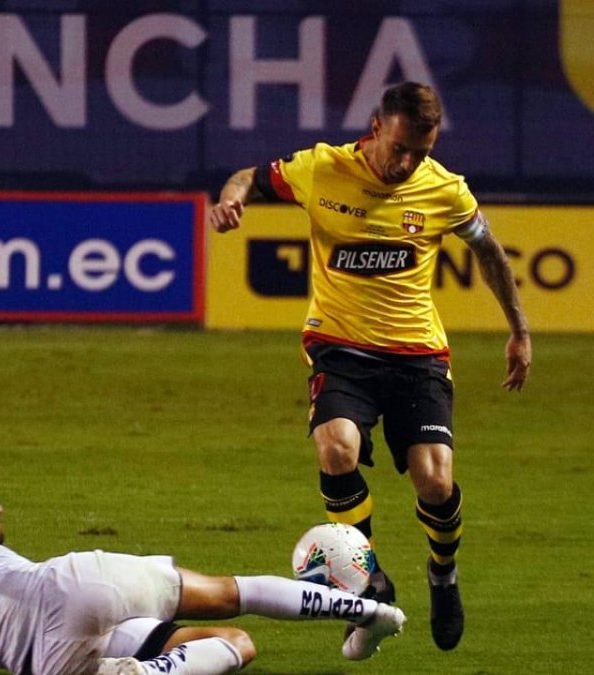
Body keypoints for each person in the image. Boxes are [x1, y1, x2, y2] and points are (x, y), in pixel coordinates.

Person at [206, 82, 531, 652]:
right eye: (401, 148)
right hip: (340, 346)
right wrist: (232, 200)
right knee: (336, 449)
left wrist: (519, 329)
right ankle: (369, 581)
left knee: (435, 482)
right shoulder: (322, 167)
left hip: (417, 354)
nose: (408, 164)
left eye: (421, 153)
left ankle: (442, 572)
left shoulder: (445, 190)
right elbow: (249, 177)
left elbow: (487, 250)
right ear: (377, 127)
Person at [0, 380, 406, 675]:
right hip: (76, 588)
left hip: (57, 640)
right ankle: (368, 612)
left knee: (235, 635)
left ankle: (150, 671)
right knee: (235, 608)